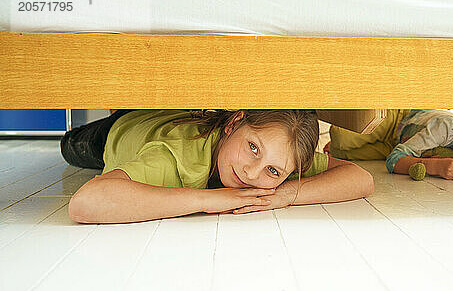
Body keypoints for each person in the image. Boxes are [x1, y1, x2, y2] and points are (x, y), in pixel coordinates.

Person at [62, 109, 374, 224]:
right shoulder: (173, 158)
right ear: (235, 121)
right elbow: (86, 203)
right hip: (119, 130)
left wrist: (283, 195)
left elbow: (360, 178)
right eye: (253, 148)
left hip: (173, 119)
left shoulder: (283, 154)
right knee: (68, 146)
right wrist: (212, 200)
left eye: (273, 172)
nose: (253, 174)